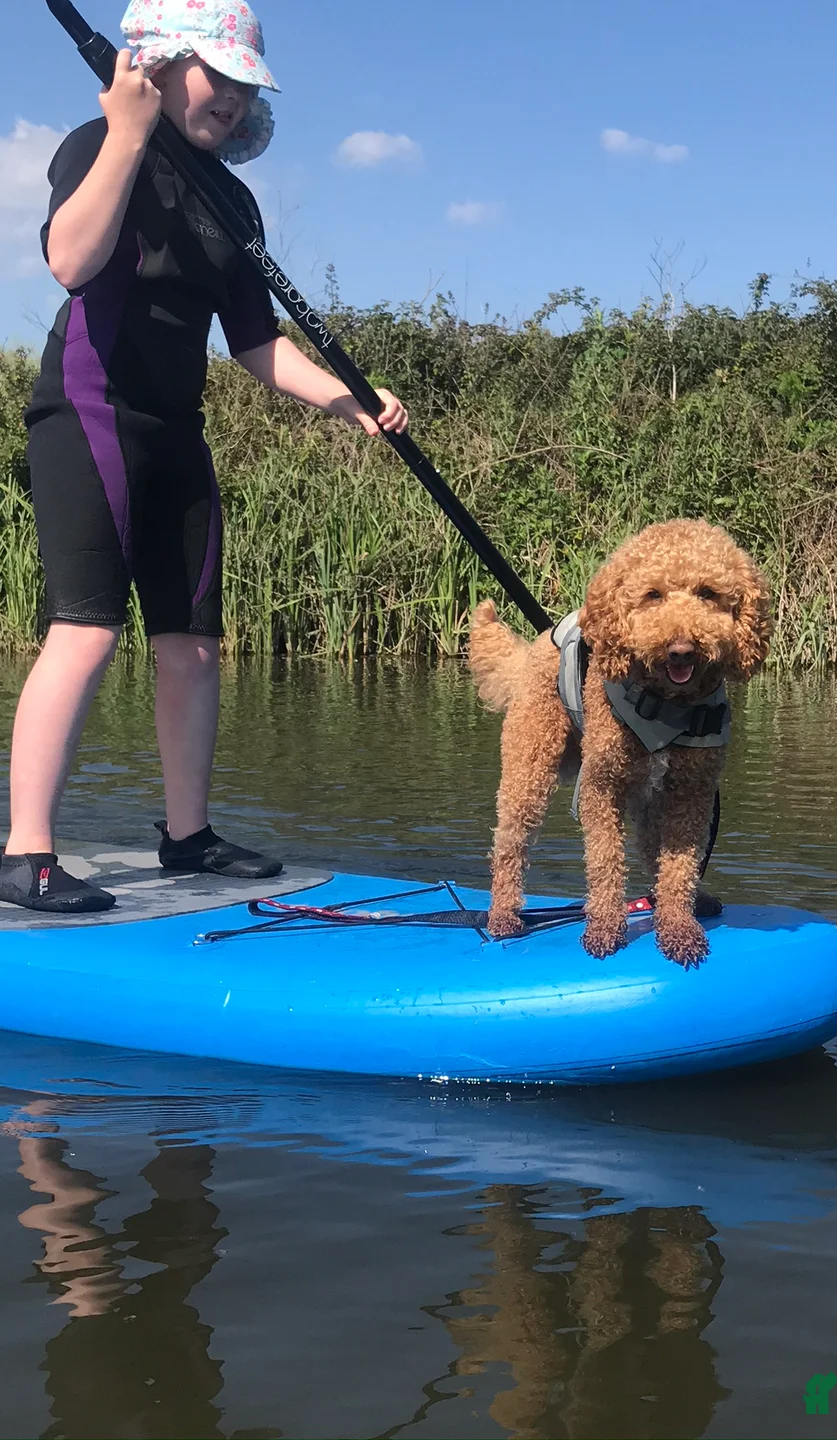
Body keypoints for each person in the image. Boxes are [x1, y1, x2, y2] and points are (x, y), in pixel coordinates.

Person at [0, 1, 408, 915]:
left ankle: (188, 838)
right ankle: (25, 853)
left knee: (193, 647)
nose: (229, 98)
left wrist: (352, 400)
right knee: (89, 627)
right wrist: (127, 134)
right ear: (159, 65)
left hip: (176, 428)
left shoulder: (232, 197)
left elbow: (257, 345)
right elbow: (69, 260)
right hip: (88, 412)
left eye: (241, 86)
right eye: (213, 76)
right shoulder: (96, 142)